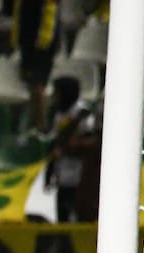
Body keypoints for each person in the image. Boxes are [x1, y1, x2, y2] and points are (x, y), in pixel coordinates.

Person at [46, 75, 100, 223]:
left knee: (79, 218)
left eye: (57, 92)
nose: (54, 96)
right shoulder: (58, 112)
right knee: (62, 219)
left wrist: (69, 147)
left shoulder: (83, 113)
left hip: (80, 177)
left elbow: (92, 142)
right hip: (62, 176)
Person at [12, 0, 62, 133]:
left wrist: (44, 39)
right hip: (27, 36)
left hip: (43, 38)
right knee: (29, 83)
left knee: (38, 84)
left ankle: (41, 126)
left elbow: (51, 9)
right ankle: (32, 122)